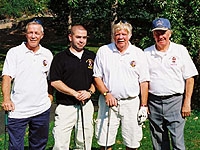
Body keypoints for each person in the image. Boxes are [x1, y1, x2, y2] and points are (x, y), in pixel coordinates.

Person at [93, 20, 150, 150]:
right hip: (108, 102)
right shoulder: (104, 51)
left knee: (132, 142)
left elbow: (144, 81)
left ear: (129, 36)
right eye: (117, 34)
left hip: (131, 103)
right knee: (105, 141)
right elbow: (97, 77)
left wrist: (144, 105)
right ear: (113, 36)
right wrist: (106, 94)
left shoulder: (138, 53)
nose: (120, 37)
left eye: (124, 34)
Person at [144, 18, 198, 150]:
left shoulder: (180, 50)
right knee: (158, 142)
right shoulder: (146, 53)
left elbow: (190, 78)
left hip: (175, 102)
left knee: (177, 142)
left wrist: (187, 102)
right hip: (154, 102)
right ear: (153, 35)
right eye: (157, 33)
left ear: (170, 33)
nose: (160, 36)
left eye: (163, 32)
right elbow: (143, 81)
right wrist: (144, 104)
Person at [1, 19, 53, 150]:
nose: (33, 36)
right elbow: (7, 77)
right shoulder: (14, 52)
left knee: (39, 145)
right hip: (18, 110)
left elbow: (51, 79)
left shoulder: (47, 54)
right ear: (26, 34)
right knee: (16, 147)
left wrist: (50, 96)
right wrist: (6, 99)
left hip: (41, 109)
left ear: (42, 35)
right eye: (30, 32)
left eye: (36, 33)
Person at [50, 24, 96, 150]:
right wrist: (74, 93)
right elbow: (54, 81)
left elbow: (96, 80)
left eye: (84, 37)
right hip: (66, 106)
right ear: (70, 37)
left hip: (86, 105)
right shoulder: (60, 58)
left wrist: (89, 92)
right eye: (78, 37)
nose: (81, 40)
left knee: (84, 142)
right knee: (60, 143)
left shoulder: (91, 56)